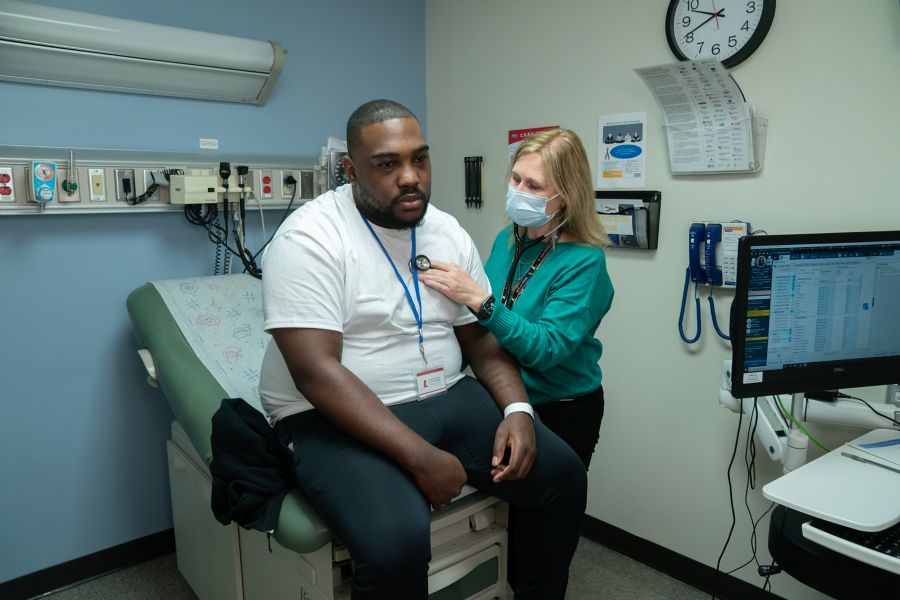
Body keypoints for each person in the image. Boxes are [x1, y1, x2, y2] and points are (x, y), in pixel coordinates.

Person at [258, 99, 586, 599]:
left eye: (421, 159)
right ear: (350, 170)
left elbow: (477, 333)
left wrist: (519, 410)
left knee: (561, 476)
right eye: (387, 164)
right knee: (396, 541)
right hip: (327, 411)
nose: (410, 177)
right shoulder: (309, 238)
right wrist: (421, 458)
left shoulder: (447, 230)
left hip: (444, 392)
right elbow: (316, 372)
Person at [419, 128, 614, 470]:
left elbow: (545, 349)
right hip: (505, 398)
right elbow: (478, 325)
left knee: (543, 513)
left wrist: (481, 300)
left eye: (534, 186)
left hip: (562, 406)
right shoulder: (507, 240)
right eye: (516, 179)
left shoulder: (585, 262)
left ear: (566, 195)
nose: (519, 191)